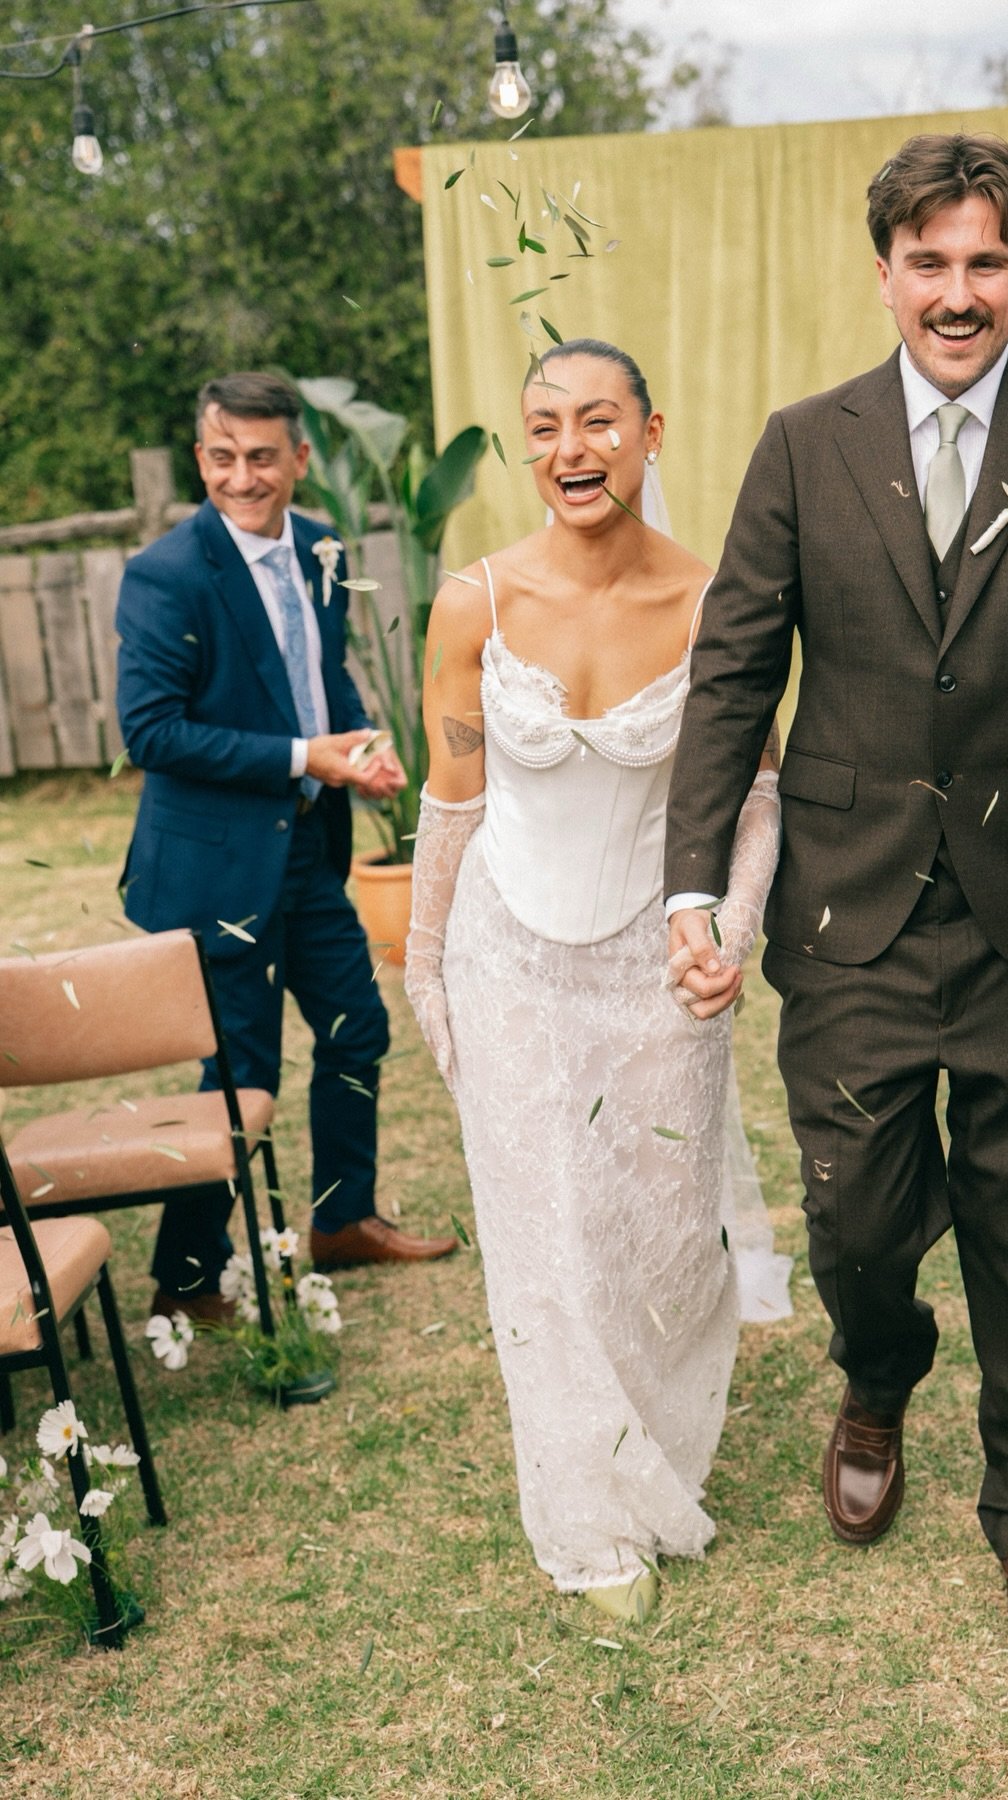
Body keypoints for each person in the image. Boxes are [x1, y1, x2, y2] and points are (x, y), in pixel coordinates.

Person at [665, 133, 1008, 1667]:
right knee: (858, 1218)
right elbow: (734, 673)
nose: (958, 294)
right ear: (885, 266)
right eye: (930, 262)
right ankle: (879, 1370)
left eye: (987, 263)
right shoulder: (802, 441)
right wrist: (696, 879)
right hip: (845, 913)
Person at [404, 340, 785, 1625]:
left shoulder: (716, 597)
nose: (573, 449)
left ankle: (654, 1448)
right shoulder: (475, 604)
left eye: (600, 421)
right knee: (544, 1243)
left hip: (654, 960)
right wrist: (423, 964)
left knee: (666, 1234)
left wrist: (727, 931)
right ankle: (588, 1520)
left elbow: (756, 794)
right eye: (547, 426)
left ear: (650, 431)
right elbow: (451, 801)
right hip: (503, 955)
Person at [116, 371, 458, 1320]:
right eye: (222, 457)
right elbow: (151, 732)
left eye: (262, 457)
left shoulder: (320, 547)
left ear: (298, 459)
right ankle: (185, 1280)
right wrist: (305, 753)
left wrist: (360, 745)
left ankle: (341, 1221)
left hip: (309, 849)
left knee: (358, 1027)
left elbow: (321, 673)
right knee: (239, 1071)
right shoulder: (166, 574)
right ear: (200, 460)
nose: (242, 477)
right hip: (213, 865)